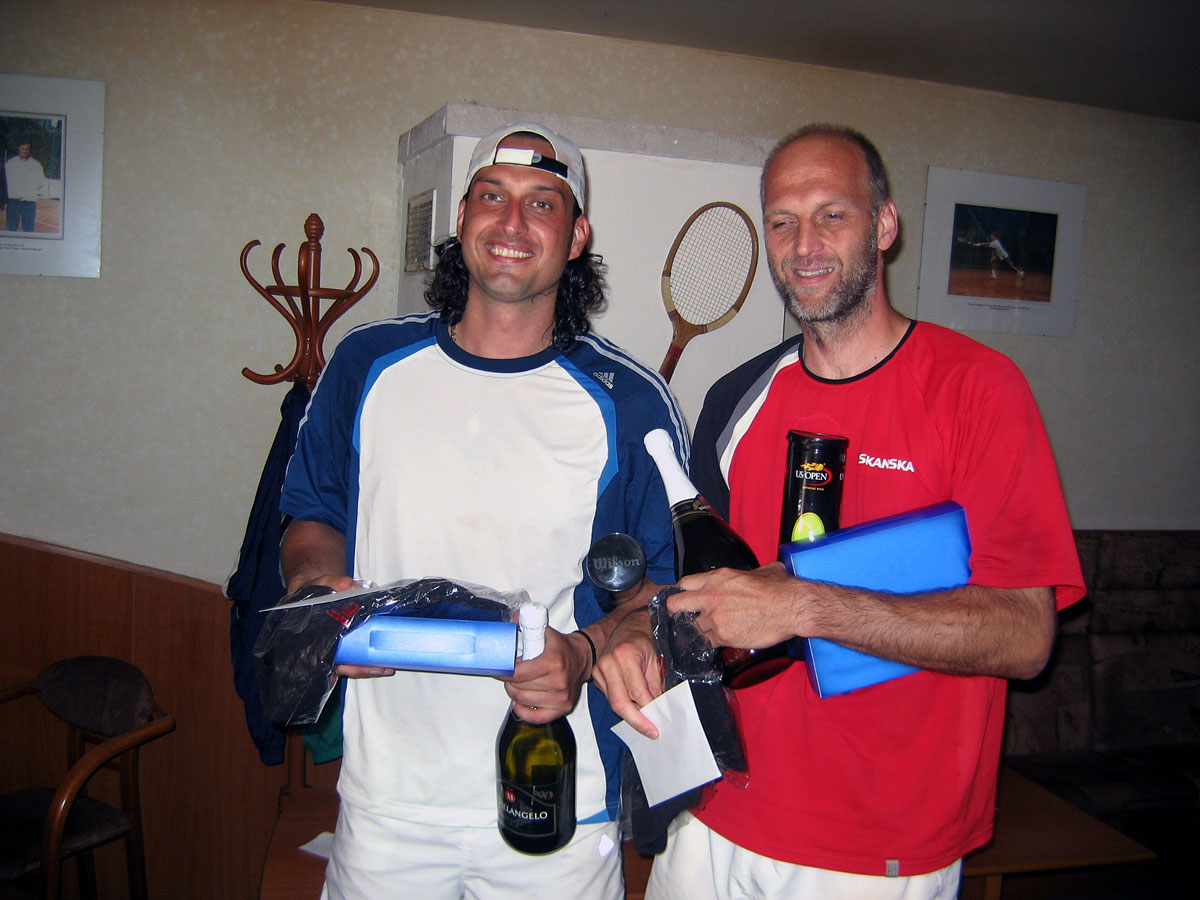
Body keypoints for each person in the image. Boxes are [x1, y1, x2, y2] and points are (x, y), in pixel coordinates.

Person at [595, 124, 1084, 900]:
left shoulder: (979, 391)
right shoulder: (736, 398)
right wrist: (632, 635)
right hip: (713, 814)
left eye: (832, 214)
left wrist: (804, 606)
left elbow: (1026, 636)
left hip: (877, 849)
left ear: (884, 225)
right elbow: (689, 594)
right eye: (782, 220)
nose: (804, 245)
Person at [278, 122, 686, 900]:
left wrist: (584, 653)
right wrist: (318, 590)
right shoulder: (367, 365)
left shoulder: (631, 402)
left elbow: (664, 596)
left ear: (577, 237)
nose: (512, 222)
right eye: (492, 197)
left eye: (543, 203)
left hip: (558, 803)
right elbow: (312, 516)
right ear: (462, 217)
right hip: (388, 801)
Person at [4, 140, 45, 233]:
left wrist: (29, 191)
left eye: (26, 149)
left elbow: (41, 183)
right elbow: (5, 181)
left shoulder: (36, 165)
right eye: (22, 149)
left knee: (28, 229)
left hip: (29, 203)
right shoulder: (10, 163)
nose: (24, 151)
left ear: (29, 150)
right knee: (10, 229)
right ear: (19, 149)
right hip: (13, 202)